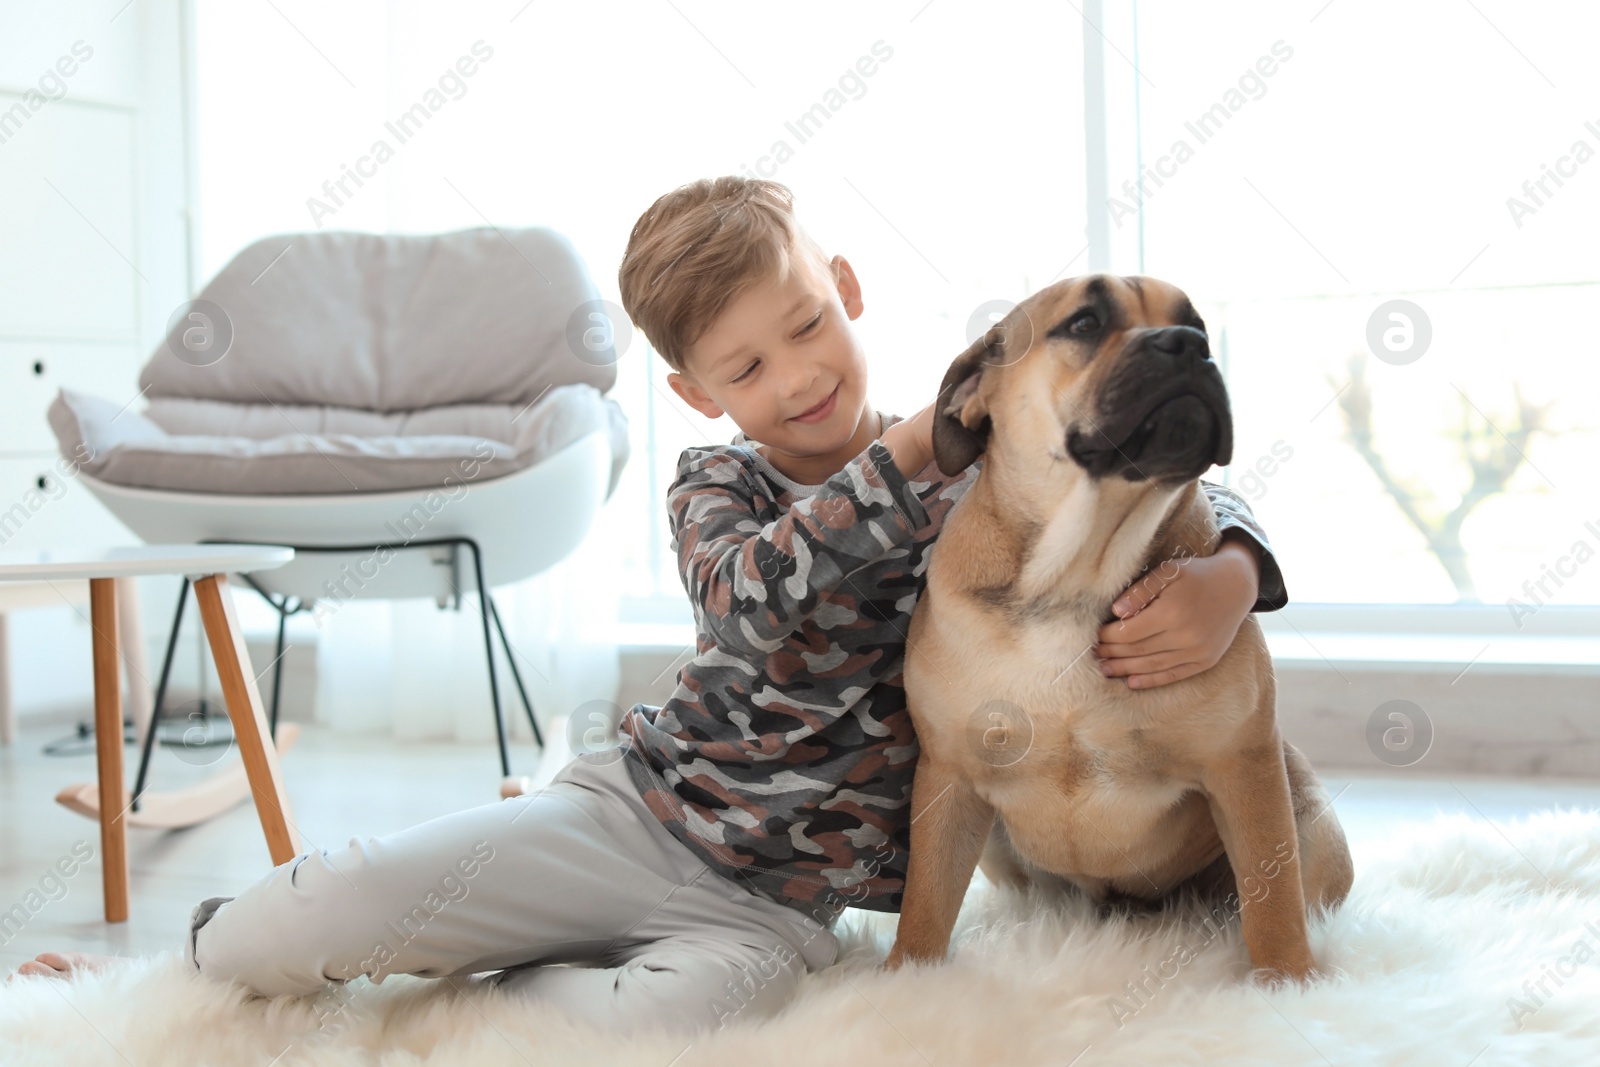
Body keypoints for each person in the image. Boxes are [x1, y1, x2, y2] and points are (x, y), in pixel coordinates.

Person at [11, 176, 1287, 1036]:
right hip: (643, 812)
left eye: (805, 324)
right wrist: (899, 464)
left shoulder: (978, 466)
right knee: (324, 911)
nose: (796, 376)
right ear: (694, 393)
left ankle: (468, 977)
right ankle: (156, 978)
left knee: (621, 1025)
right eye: (745, 363)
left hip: (780, 908)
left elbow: (1141, 480)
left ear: (846, 288)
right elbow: (751, 603)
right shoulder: (723, 479)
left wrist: (1232, 575)